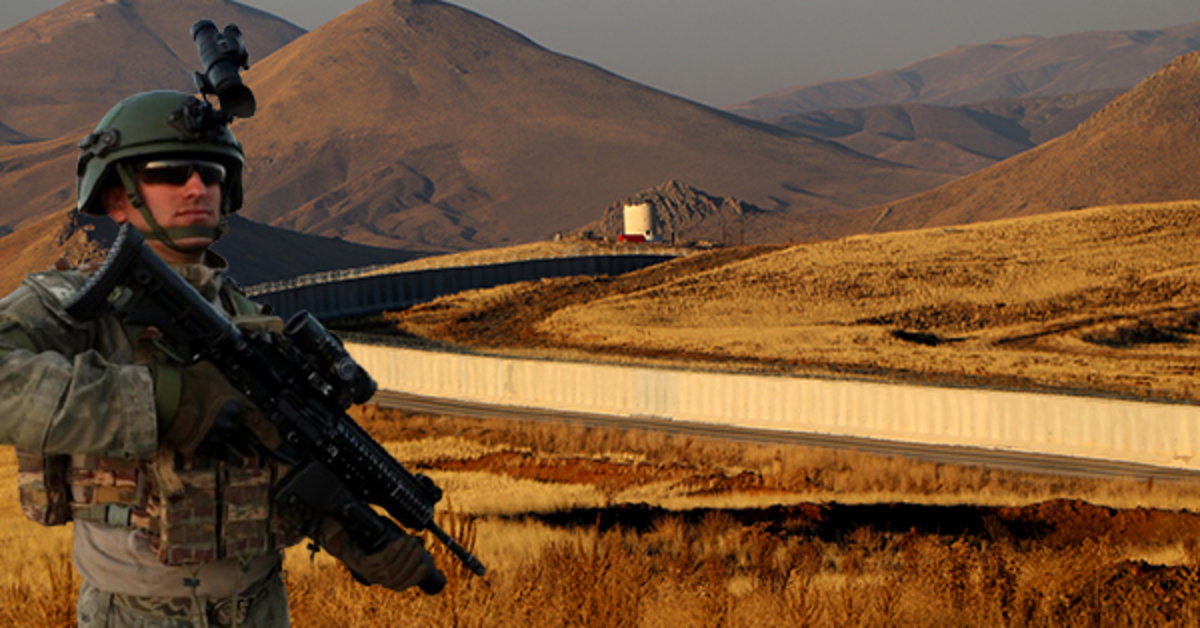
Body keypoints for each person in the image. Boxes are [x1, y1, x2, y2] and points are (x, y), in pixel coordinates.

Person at [0, 90, 432, 627]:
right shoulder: (75, 306)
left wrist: (354, 536)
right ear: (116, 195)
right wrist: (162, 398)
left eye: (212, 173)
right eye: (169, 172)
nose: (197, 187)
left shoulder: (253, 324)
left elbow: (283, 461)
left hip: (260, 609)